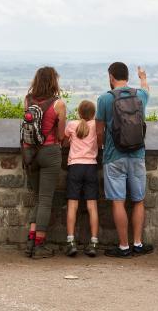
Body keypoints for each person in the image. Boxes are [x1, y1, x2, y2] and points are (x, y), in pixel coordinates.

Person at [96, 62, 154, 257]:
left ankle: (124, 247)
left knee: (118, 201)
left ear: (111, 77)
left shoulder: (105, 99)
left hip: (114, 156)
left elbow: (99, 130)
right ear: (127, 77)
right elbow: (147, 89)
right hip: (137, 154)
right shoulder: (140, 96)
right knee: (138, 200)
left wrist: (101, 149)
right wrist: (143, 77)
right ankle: (137, 243)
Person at [22, 66, 67, 259]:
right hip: (49, 152)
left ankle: (31, 242)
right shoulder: (58, 104)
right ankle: (39, 245)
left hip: (29, 153)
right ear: (54, 82)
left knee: (38, 198)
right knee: (46, 200)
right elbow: (61, 135)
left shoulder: (27, 100)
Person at [62, 100, 100, 257]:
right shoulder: (96, 125)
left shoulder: (72, 125)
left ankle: (71, 242)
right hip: (91, 167)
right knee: (92, 206)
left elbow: (64, 141)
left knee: (72, 206)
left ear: (78, 112)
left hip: (75, 167)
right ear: (94, 113)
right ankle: (94, 242)